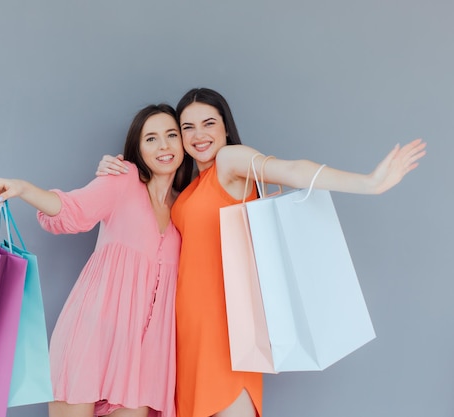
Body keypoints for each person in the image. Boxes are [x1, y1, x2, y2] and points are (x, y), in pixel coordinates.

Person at [96, 87, 427, 417]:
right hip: (187, 336)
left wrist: (368, 183)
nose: (199, 135)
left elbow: (292, 170)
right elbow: (146, 211)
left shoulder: (229, 161)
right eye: (187, 128)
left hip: (227, 331)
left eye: (209, 123)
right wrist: (118, 170)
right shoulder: (191, 187)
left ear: (226, 127)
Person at [0, 104, 190, 417]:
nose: (163, 145)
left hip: (143, 361)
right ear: (137, 148)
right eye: (151, 138)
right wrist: (24, 189)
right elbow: (73, 210)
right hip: (90, 337)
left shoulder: (186, 205)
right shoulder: (124, 179)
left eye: (171, 135)